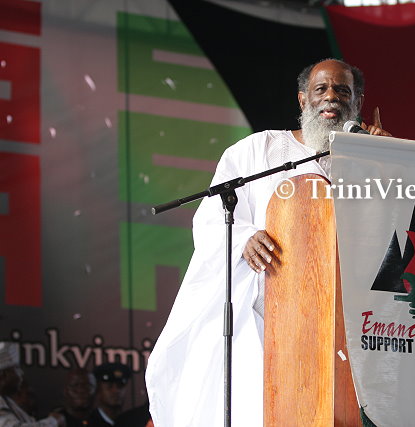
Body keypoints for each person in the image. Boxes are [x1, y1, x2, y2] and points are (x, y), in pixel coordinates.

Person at [146, 58, 391, 426]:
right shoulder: (259, 150)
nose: (331, 97)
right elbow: (211, 216)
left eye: (343, 91)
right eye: (321, 89)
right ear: (303, 99)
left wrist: (390, 162)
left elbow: (395, 237)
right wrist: (244, 237)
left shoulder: (371, 163)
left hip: (342, 327)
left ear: (357, 102)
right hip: (267, 317)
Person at [0, 341, 65, 426]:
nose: (21, 373)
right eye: (17, 368)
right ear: (4, 374)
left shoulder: (7, 400)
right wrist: (54, 421)